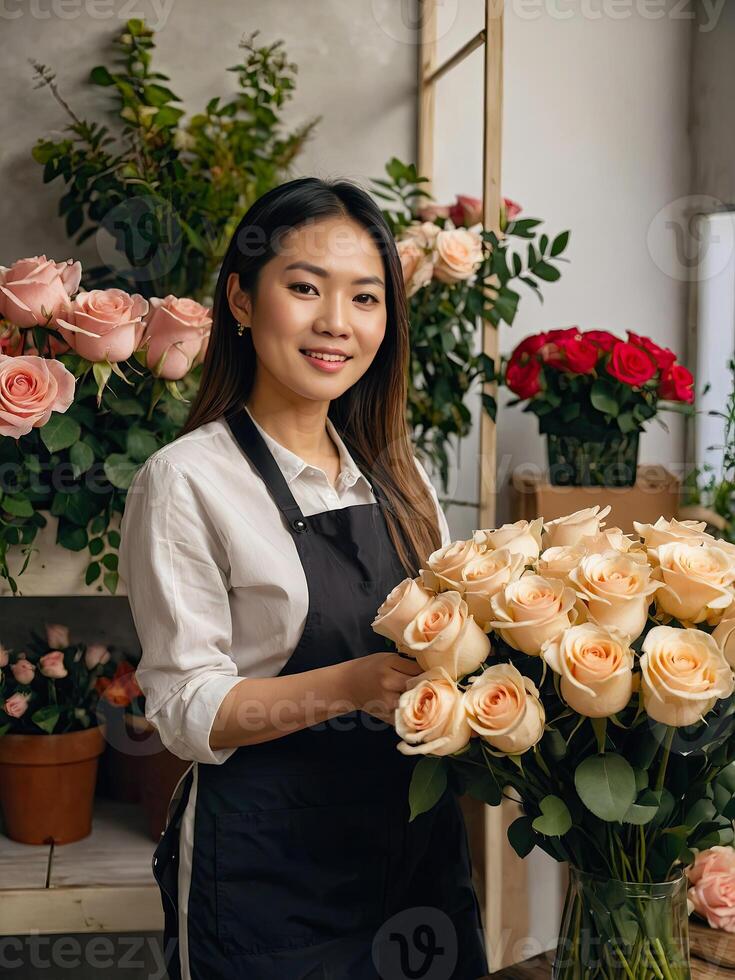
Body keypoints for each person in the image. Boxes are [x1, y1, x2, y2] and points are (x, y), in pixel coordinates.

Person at [118, 176, 489, 980]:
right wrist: (353, 684)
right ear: (242, 302)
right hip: (265, 877)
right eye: (304, 288)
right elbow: (186, 711)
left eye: (365, 298)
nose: (336, 324)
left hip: (414, 860)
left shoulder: (402, 475)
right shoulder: (186, 481)